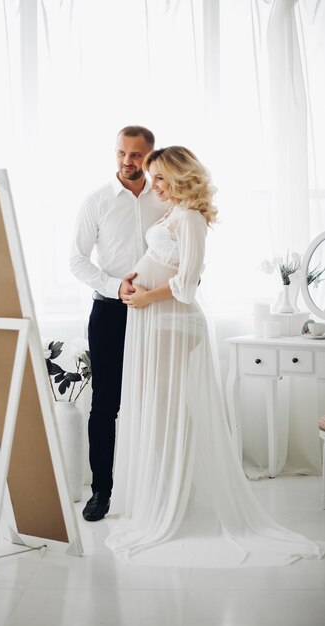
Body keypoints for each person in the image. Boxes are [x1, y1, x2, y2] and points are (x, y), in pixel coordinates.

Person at [105, 146, 325, 567]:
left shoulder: (190, 219)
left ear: (182, 177)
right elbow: (161, 259)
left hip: (171, 320)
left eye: (162, 178)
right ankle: (167, 496)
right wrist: (134, 276)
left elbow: (187, 282)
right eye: (153, 178)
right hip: (154, 319)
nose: (155, 185)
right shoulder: (173, 214)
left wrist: (147, 296)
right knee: (158, 408)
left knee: (170, 411)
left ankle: (179, 501)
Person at [69, 126, 165, 522]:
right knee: (105, 406)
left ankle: (156, 490)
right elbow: (76, 260)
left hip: (159, 312)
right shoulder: (96, 201)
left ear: (151, 155)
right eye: (122, 153)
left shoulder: (165, 200)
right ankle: (101, 493)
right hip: (110, 313)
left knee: (157, 401)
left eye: (137, 155)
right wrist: (115, 286)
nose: (128, 161)